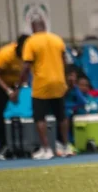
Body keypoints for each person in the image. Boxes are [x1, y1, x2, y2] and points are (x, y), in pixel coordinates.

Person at [16, 19, 73, 160]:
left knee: (40, 117)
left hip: (41, 83)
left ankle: (46, 149)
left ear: (32, 28)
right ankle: (66, 146)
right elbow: (64, 60)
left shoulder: (31, 41)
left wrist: (19, 84)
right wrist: (65, 78)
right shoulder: (57, 39)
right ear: (45, 26)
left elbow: (26, 65)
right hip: (58, 82)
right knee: (61, 115)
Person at [0, 35, 28, 160]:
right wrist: (9, 92)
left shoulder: (29, 55)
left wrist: (18, 90)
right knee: (3, 112)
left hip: (12, 84)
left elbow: (25, 73)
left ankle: (18, 145)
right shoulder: (7, 53)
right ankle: (4, 146)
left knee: (18, 112)